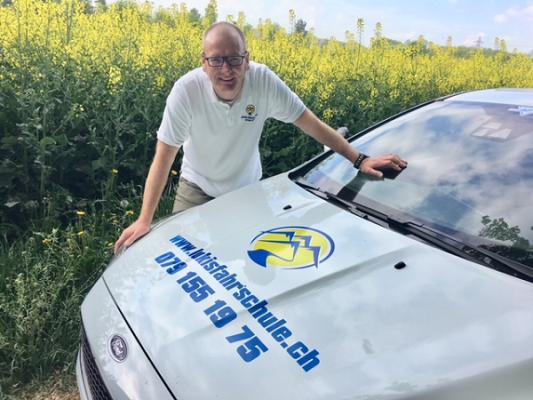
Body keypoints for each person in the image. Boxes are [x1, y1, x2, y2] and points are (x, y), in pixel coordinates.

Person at [114, 22, 407, 254]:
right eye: (216, 60)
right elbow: (164, 155)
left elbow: (311, 124)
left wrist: (359, 159)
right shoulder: (186, 91)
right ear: (204, 63)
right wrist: (144, 220)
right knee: (182, 256)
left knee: (255, 256)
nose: (226, 70)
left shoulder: (264, 82)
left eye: (234, 59)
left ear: (247, 60)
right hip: (197, 186)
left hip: (246, 190)